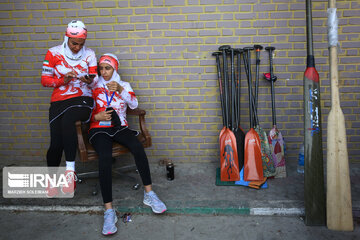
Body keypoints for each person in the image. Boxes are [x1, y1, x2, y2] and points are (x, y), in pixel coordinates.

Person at [89, 53, 167, 236]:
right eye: (101, 68)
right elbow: (84, 111)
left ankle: (149, 194)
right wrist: (96, 116)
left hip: (120, 127)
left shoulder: (123, 85)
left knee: (138, 148)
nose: (103, 72)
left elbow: (134, 104)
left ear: (114, 69)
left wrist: (121, 90)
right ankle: (109, 211)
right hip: (99, 128)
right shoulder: (93, 86)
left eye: (107, 68)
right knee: (105, 157)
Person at [41, 20, 97, 197]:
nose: (77, 47)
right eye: (74, 43)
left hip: (83, 98)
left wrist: (89, 80)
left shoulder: (89, 54)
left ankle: (70, 172)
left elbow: (95, 79)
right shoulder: (53, 53)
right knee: (55, 142)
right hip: (59, 101)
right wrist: (62, 81)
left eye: (81, 44)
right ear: (67, 38)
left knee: (68, 120)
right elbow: (45, 80)